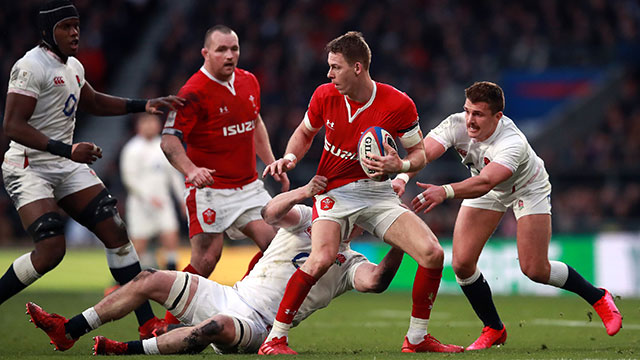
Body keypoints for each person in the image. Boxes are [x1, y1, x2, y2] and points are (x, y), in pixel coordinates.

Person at [26, 175, 410, 355]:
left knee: (215, 328)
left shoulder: (349, 262)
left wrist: (400, 242)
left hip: (259, 326)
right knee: (147, 278)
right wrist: (306, 191)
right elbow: (270, 212)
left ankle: (126, 349)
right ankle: (69, 329)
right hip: (230, 293)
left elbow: (375, 281)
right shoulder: (310, 217)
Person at [260, 31, 462, 354]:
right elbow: (304, 132)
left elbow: (420, 155)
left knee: (433, 254)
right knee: (322, 257)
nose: (329, 74)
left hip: (377, 193)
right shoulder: (324, 96)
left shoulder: (398, 104)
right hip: (333, 190)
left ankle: (417, 338)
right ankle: (275, 339)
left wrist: (400, 168)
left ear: (357, 67)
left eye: (335, 67)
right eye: (329, 67)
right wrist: (289, 158)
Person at [0, 0, 184, 339]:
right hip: (29, 165)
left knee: (115, 232)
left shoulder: (74, 66)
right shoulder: (29, 66)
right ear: (47, 32)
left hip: (64, 162)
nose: (74, 33)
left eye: (77, 26)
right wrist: (67, 149)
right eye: (66, 27)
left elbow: (94, 101)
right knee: (52, 250)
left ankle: (146, 323)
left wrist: (143, 105)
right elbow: (12, 125)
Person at [394, 81, 623, 350]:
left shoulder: (511, 142)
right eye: (467, 111)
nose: (470, 120)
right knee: (462, 264)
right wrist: (402, 176)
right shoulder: (456, 124)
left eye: (478, 114)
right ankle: (493, 328)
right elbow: (423, 153)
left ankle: (598, 297)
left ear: (497, 117)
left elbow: (487, 182)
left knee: (535, 269)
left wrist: (444, 192)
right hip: (484, 185)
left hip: (526, 188)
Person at [160, 25, 289, 283]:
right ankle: (168, 321)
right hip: (210, 189)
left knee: (276, 244)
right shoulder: (192, 92)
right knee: (207, 259)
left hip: (248, 185)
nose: (230, 55)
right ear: (205, 53)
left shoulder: (249, 81)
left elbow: (255, 123)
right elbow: (168, 142)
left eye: (234, 49)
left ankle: (243, 300)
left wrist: (271, 162)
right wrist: (192, 170)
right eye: (221, 50)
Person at [120, 113, 185, 270]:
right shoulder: (132, 149)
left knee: (170, 234)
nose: (149, 126)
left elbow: (174, 176)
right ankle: (127, 279)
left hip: (163, 201)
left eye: (152, 122)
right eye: (145, 123)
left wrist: (183, 199)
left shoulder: (164, 146)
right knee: (139, 243)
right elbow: (129, 179)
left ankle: (172, 272)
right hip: (140, 204)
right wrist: (148, 198)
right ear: (139, 126)